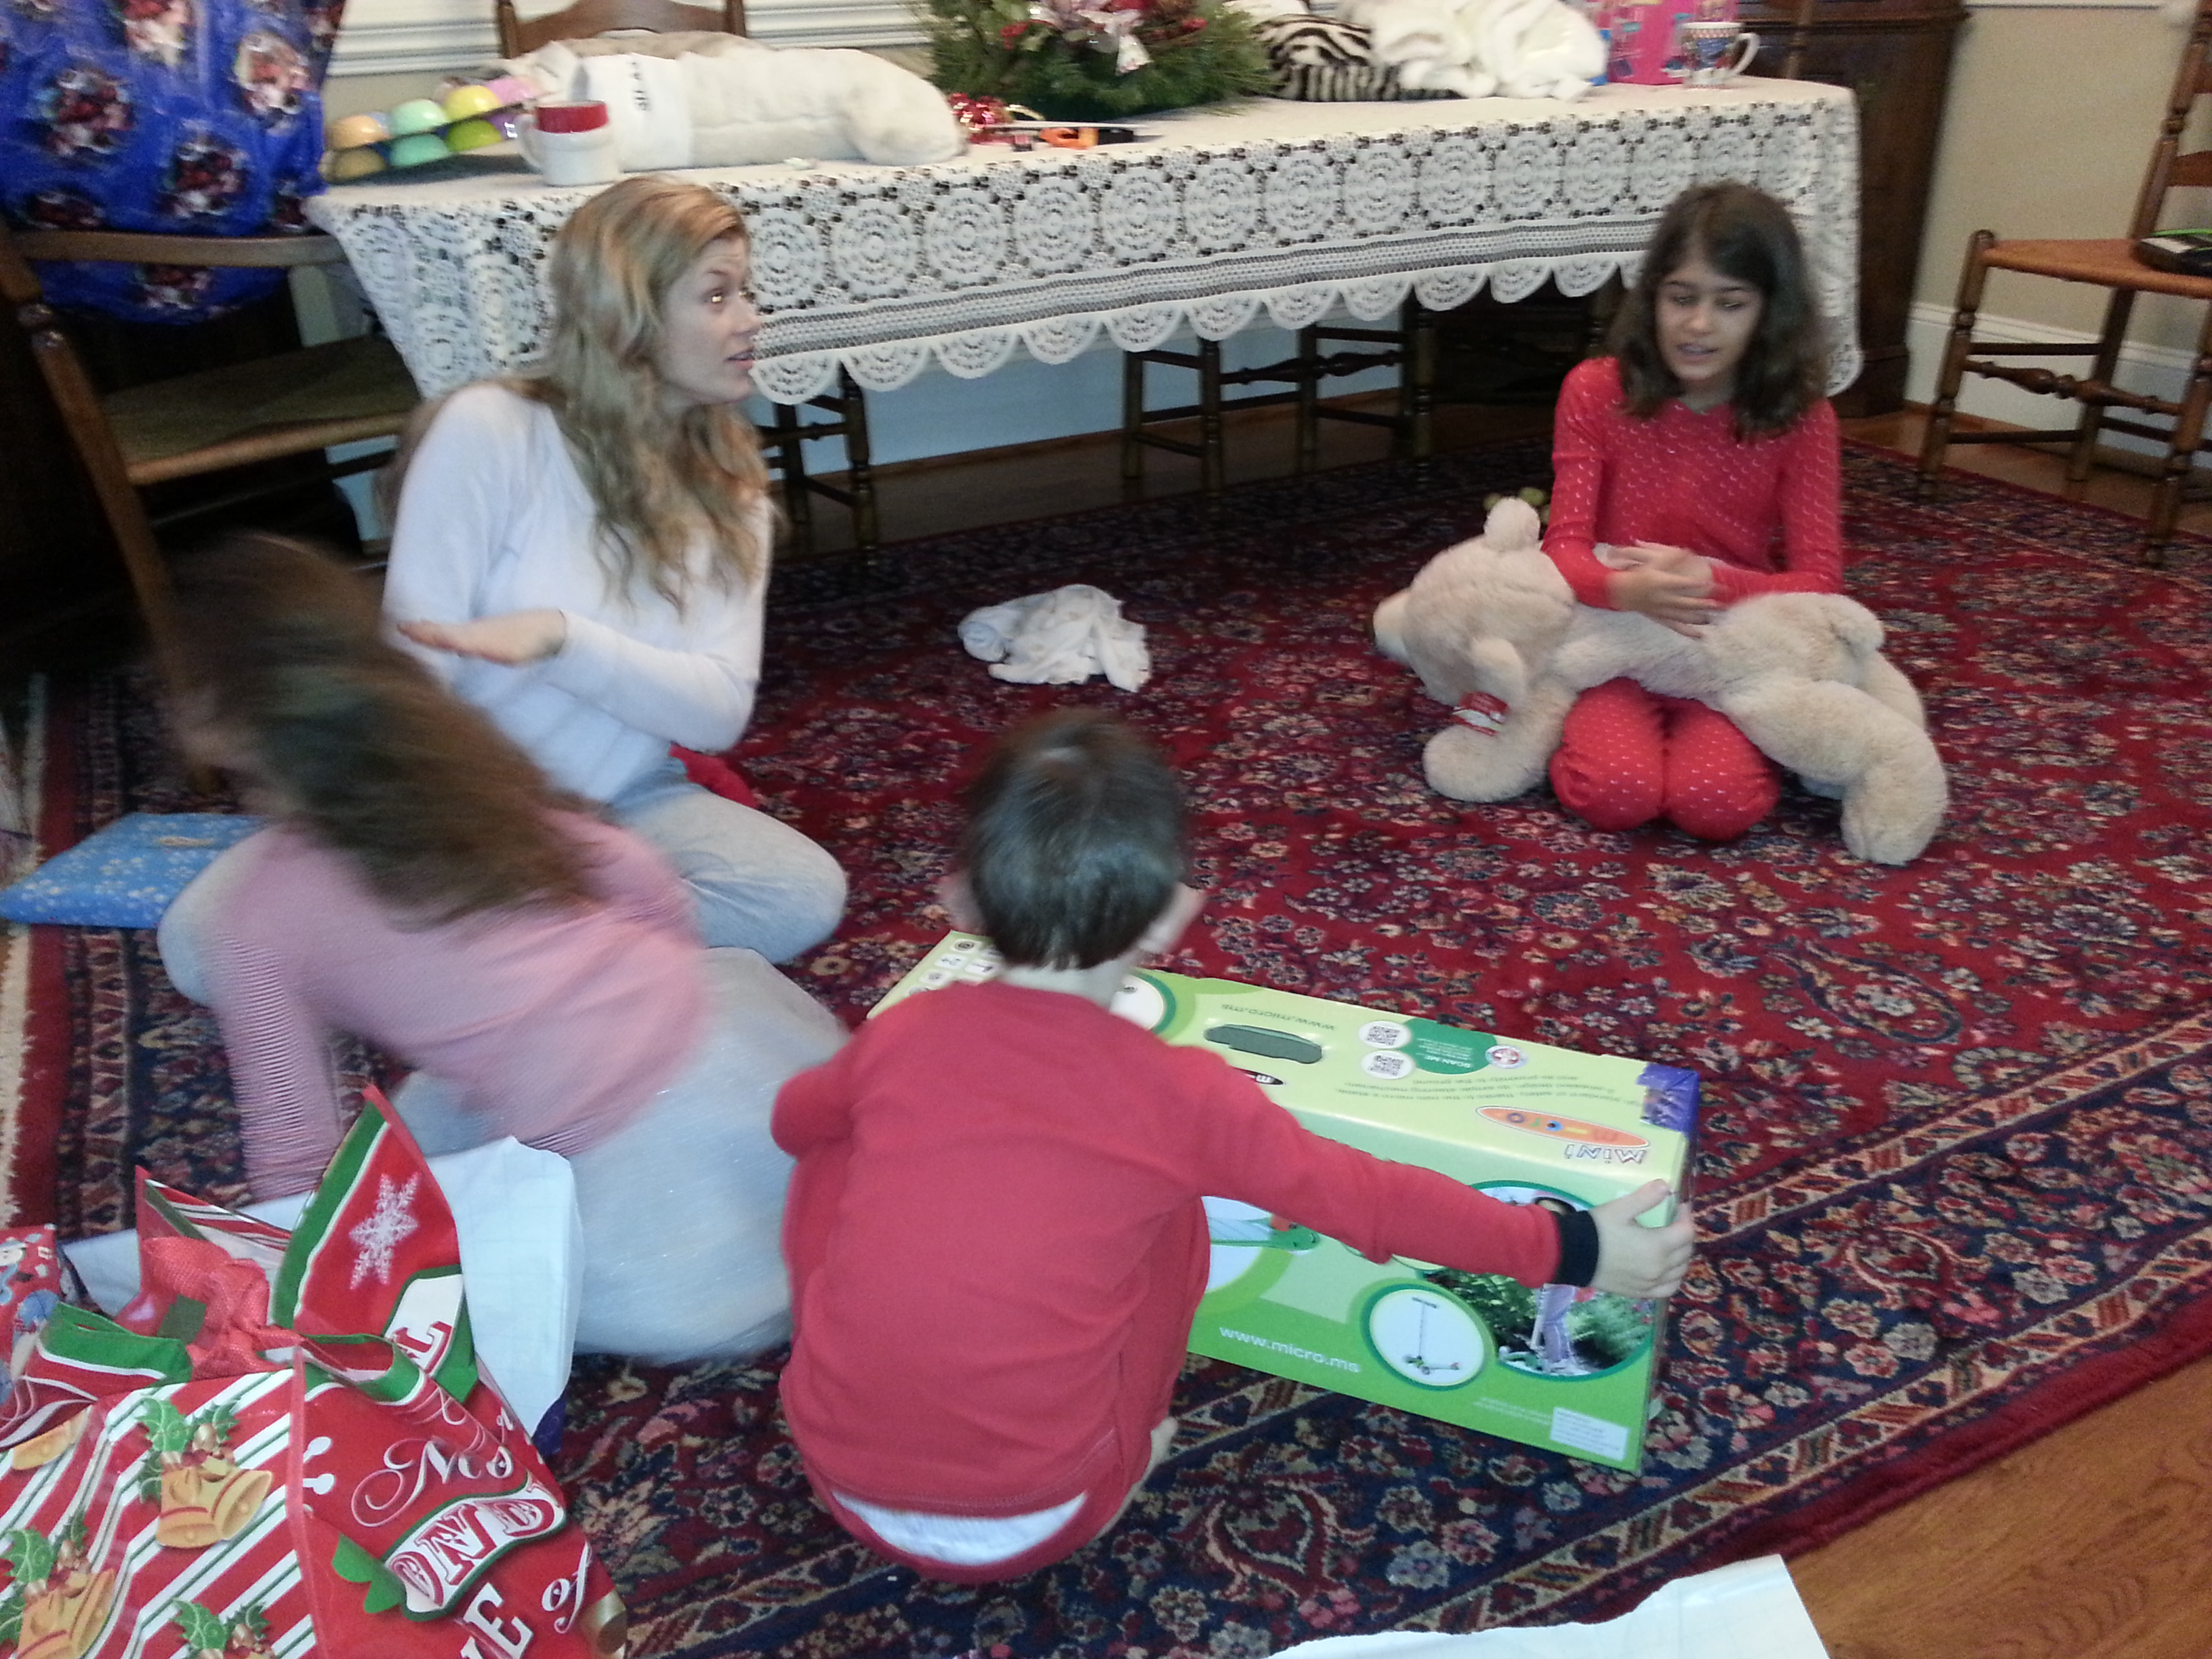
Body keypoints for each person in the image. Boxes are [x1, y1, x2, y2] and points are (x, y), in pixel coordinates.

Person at [772, 709, 1695, 1582]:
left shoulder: (901, 1033)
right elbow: (1372, 1201)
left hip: (839, 1483)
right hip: (1048, 1511)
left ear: (959, 899)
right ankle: (1133, 1449)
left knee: (840, 1147)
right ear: (1172, 915)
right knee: (1168, 1204)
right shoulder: (1181, 1094)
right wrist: (1575, 1246)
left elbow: (790, 1123)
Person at [156, 533, 846, 1363]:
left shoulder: (258, 917)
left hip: (651, 1220)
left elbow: (295, 1144)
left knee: (430, 1173)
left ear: (210, 718)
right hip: (744, 1065)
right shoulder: (460, 772)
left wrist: (309, 1282)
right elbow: (637, 874)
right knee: (448, 1103)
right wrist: (654, 977)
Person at [380, 173, 844, 962]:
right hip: (464, 801)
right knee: (206, 942)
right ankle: (534, 941)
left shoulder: (732, 488)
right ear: (629, 314)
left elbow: (717, 714)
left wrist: (563, 641)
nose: (750, 320)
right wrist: (478, 822)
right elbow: (407, 672)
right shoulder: (494, 427)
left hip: (628, 802)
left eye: (745, 293)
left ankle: (501, 949)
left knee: (795, 894)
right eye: (717, 296)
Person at [1544, 180, 1842, 842]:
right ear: (1651, 297)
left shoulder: (1804, 418)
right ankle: (1554, 718)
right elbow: (1562, 546)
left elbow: (1821, 582)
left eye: (1730, 304)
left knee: (1718, 805)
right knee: (1615, 793)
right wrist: (1622, 589)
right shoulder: (1594, 390)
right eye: (1681, 298)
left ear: (1770, 312)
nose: (1699, 325)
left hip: (1730, 646)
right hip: (1615, 642)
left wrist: (1716, 583)